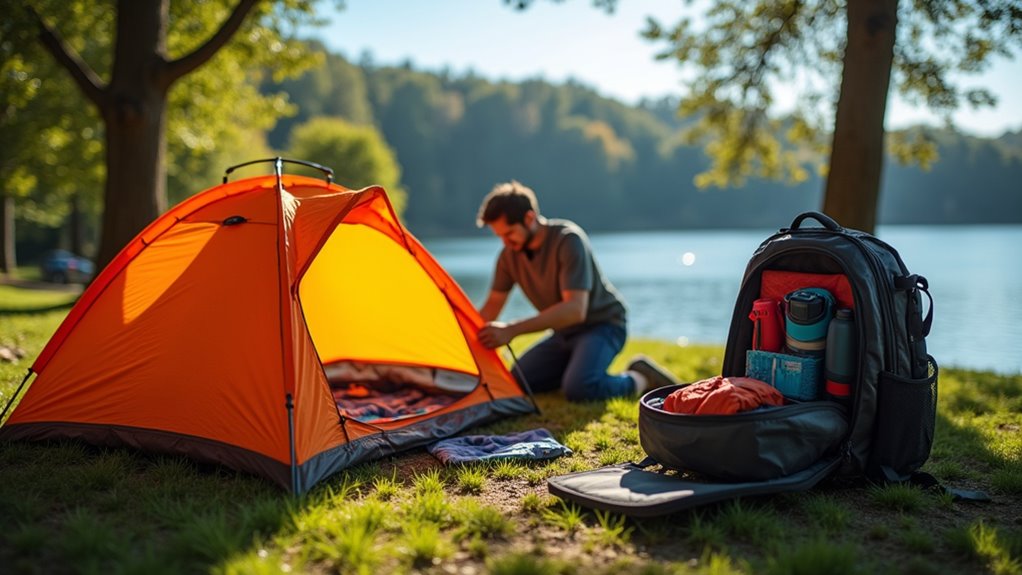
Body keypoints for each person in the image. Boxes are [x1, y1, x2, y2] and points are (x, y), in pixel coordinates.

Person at [475, 180, 679, 401]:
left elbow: (575, 310)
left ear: (529, 218)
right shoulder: (509, 257)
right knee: (517, 383)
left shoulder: (568, 240)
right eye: (500, 237)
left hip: (603, 326)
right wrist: (465, 340)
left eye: (509, 233)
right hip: (563, 334)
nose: (505, 242)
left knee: (580, 389)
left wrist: (511, 330)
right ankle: (573, 370)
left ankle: (640, 378)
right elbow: (492, 306)